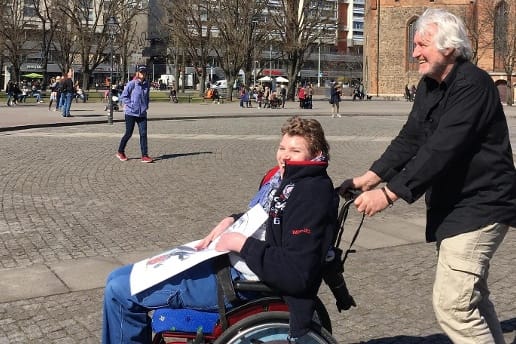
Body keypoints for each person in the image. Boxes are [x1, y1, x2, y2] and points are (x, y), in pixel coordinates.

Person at [339, 8, 516, 344]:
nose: (414, 51)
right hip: (455, 208)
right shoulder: (430, 85)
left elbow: (442, 147)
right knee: (472, 299)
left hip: (483, 205)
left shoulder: (474, 84)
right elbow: (411, 138)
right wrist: (369, 177)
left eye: (421, 45)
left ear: (448, 48)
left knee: (455, 306)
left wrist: (390, 193)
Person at [102, 115, 338, 343]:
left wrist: (240, 243)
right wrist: (233, 219)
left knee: (120, 290)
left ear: (316, 154)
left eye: (295, 151)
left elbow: (296, 272)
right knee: (117, 277)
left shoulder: (310, 193)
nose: (284, 157)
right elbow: (269, 220)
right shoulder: (286, 180)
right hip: (228, 260)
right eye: (282, 148)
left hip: (243, 279)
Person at [116, 65, 153, 163]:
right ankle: (120, 151)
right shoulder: (132, 84)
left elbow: (147, 96)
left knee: (143, 134)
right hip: (130, 113)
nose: (143, 74)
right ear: (137, 73)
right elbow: (124, 96)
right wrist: (130, 105)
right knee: (128, 133)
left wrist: (146, 105)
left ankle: (145, 155)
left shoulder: (147, 84)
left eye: (144, 72)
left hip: (142, 114)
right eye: (141, 72)